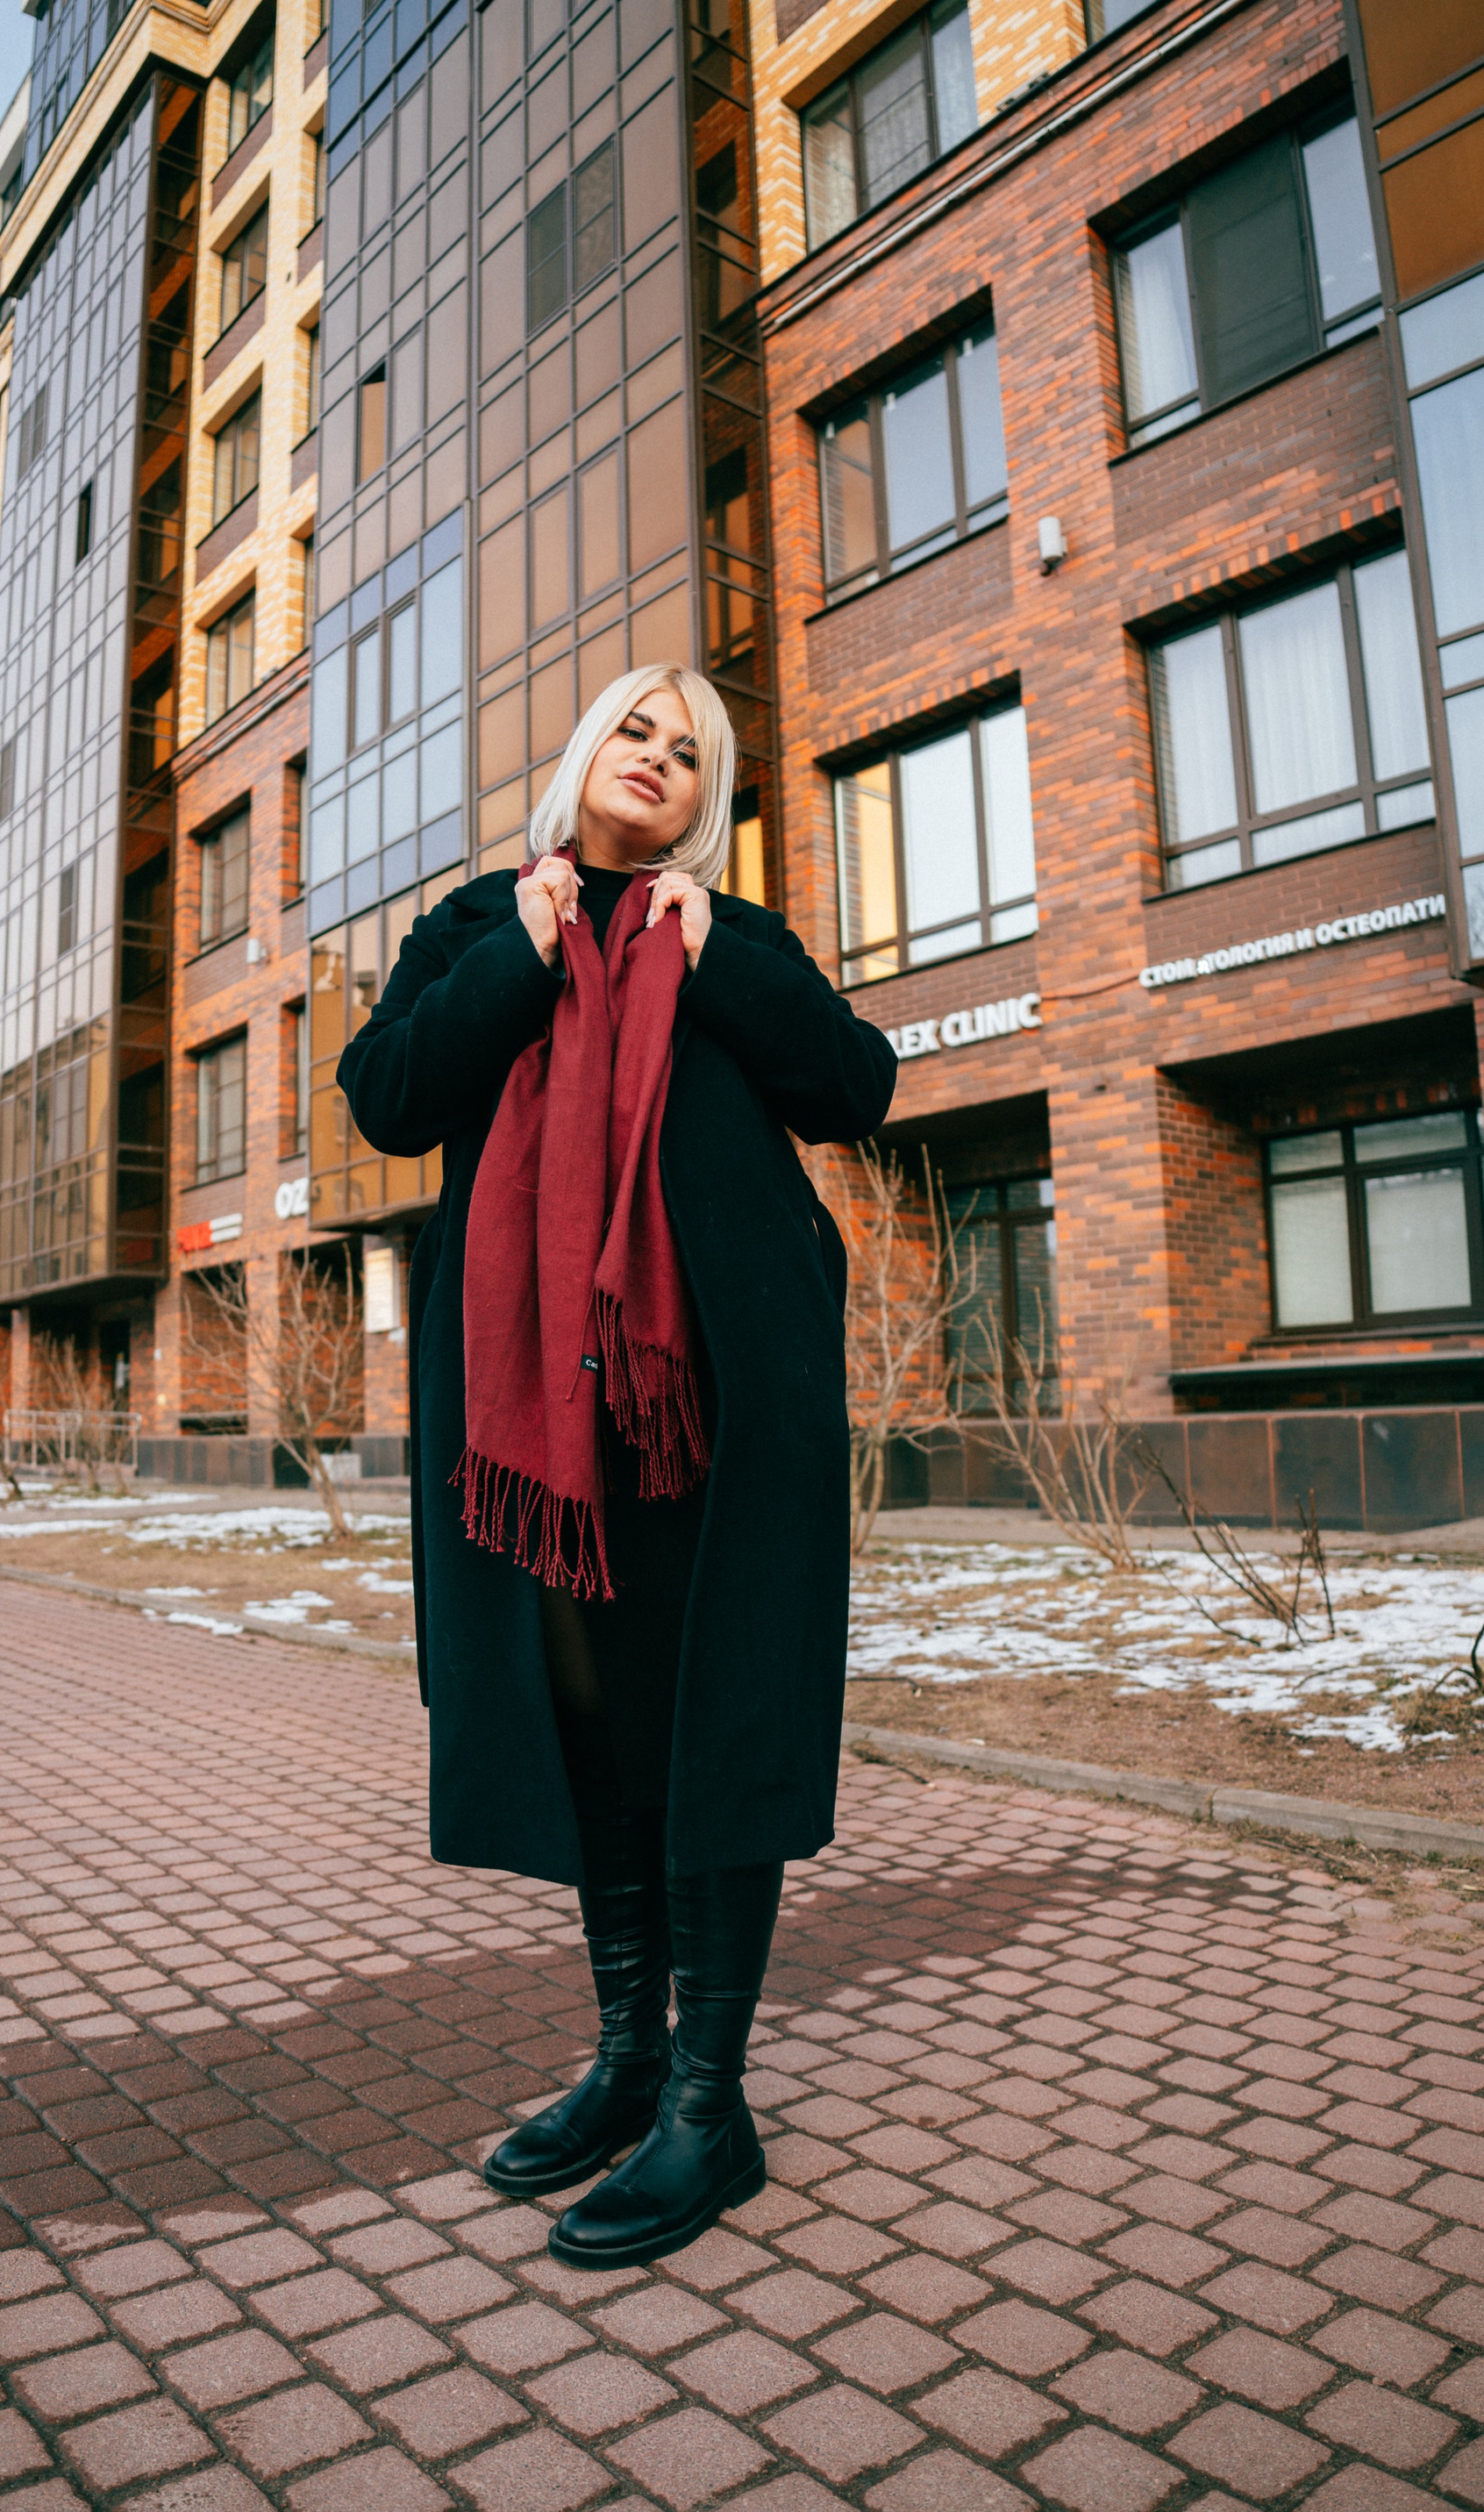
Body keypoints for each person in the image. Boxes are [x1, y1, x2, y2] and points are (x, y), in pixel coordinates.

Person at [338, 662, 896, 2266]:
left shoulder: (731, 932)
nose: (656, 758)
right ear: (586, 754)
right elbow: (388, 1101)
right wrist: (515, 958)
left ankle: (710, 2106)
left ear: (706, 799)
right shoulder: (478, 922)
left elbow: (854, 1088)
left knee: (715, 1720)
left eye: (689, 751)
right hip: (543, 1421)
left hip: (719, 1405)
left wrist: (724, 965)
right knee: (595, 1728)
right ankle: (630, 2063)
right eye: (635, 732)